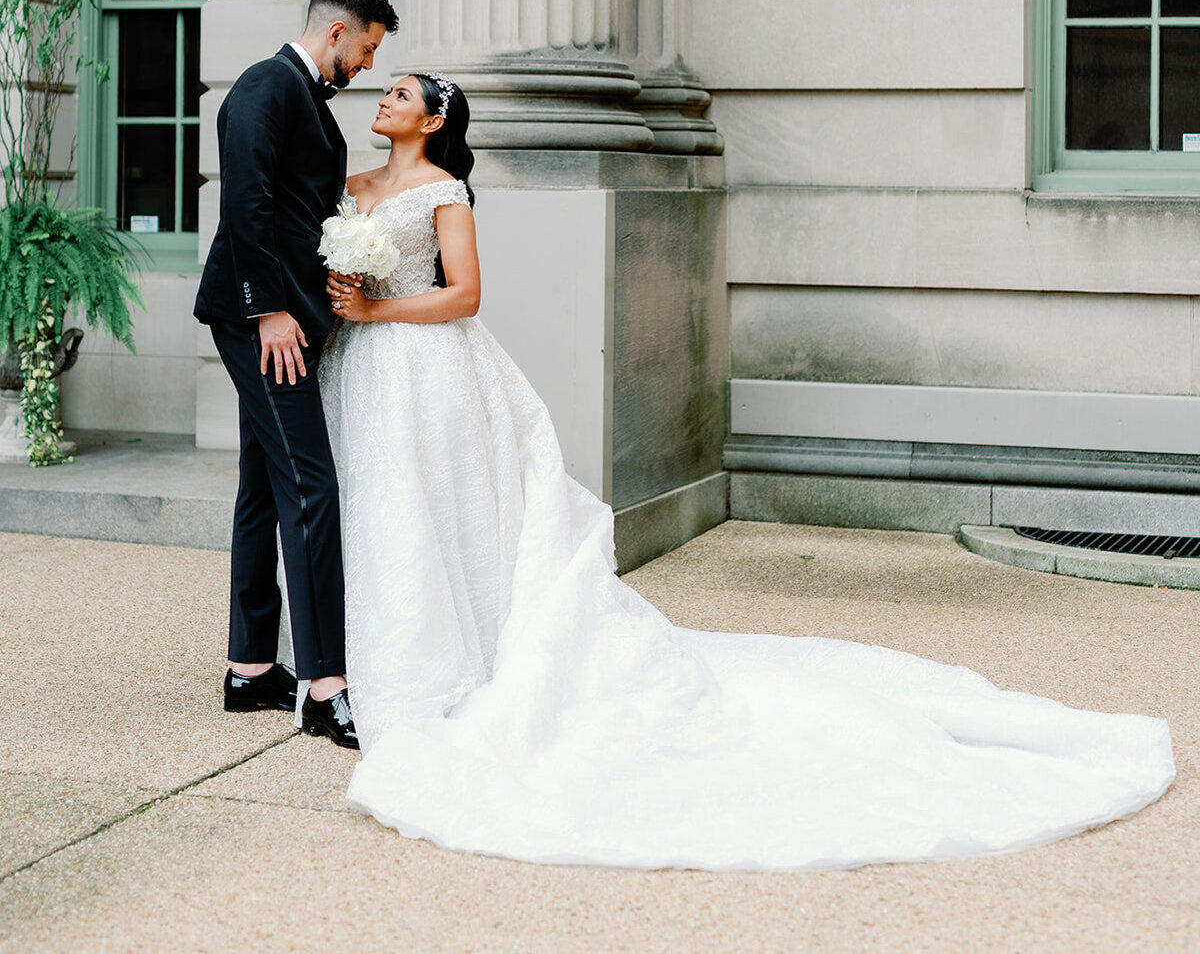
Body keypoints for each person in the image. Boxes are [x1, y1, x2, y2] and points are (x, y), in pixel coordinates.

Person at [318, 72, 1175, 870]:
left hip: (428, 365)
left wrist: (376, 306)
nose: (385, 99)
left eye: (401, 94)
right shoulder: (354, 187)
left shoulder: (444, 193)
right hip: (367, 371)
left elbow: (466, 295)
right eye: (385, 90)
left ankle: (448, 662)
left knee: (435, 509)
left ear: (433, 121)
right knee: (384, 510)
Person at [194, 0, 397, 750]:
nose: (369, 67)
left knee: (264, 484)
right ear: (339, 33)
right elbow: (242, 204)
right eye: (369, 49)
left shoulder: (306, 97)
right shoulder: (263, 88)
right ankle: (323, 683)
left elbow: (294, 211)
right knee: (312, 484)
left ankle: (250, 668)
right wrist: (271, 309)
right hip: (259, 320)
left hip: (285, 317)